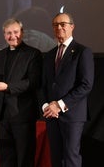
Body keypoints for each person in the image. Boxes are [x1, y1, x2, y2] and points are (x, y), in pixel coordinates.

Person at [39, 12, 94, 167]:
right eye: (55, 25)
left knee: (71, 158)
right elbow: (43, 85)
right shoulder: (49, 55)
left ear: (72, 27)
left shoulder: (83, 52)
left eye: (63, 24)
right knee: (56, 158)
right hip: (51, 115)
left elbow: (86, 85)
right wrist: (46, 106)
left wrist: (60, 104)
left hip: (72, 116)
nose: (59, 28)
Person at [0, 18, 42, 167]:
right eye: (8, 33)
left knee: (24, 159)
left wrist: (8, 87)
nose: (13, 36)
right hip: (2, 116)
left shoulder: (33, 54)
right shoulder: (0, 55)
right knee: (5, 159)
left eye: (16, 32)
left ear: (22, 32)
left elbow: (33, 82)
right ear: (4, 35)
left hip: (22, 115)